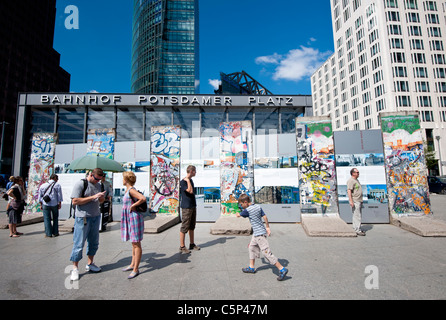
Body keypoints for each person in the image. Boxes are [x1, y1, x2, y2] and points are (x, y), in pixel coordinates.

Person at [236, 194, 288, 281]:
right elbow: (265, 217)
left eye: (241, 204)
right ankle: (251, 267)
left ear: (245, 202)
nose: (241, 206)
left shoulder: (247, 210)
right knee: (251, 247)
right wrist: (267, 227)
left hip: (259, 235)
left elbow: (239, 215)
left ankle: (282, 269)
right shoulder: (257, 206)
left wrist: (238, 213)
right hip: (257, 233)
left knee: (267, 253)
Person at [69, 168, 107, 281]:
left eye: (99, 180)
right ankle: (75, 268)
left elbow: (101, 201)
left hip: (95, 216)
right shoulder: (81, 184)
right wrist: (93, 197)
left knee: (94, 242)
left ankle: (90, 263)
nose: (97, 181)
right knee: (79, 243)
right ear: (91, 175)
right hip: (83, 218)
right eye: (96, 179)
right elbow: (75, 201)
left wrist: (101, 198)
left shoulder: (99, 185)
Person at [120, 171, 146, 279]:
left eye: (123, 178)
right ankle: (132, 264)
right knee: (133, 243)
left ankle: (136, 269)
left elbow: (142, 198)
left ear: (126, 180)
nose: (122, 180)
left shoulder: (131, 190)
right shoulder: (128, 190)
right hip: (130, 218)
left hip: (134, 218)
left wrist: (133, 206)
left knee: (136, 243)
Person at [179, 165, 200, 254]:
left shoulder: (190, 180)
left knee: (192, 226)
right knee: (185, 226)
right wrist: (187, 181)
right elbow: (190, 191)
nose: (195, 173)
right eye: (194, 171)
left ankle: (192, 243)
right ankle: (182, 246)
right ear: (191, 171)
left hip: (192, 205)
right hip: (186, 207)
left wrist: (189, 181)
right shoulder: (184, 182)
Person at [347, 168, 365, 236]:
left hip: (358, 200)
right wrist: (351, 201)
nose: (358, 173)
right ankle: (357, 230)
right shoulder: (351, 181)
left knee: (357, 215)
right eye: (357, 172)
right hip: (355, 200)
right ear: (353, 173)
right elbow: (349, 191)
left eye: (358, 172)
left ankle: (356, 228)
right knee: (357, 215)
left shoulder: (356, 180)